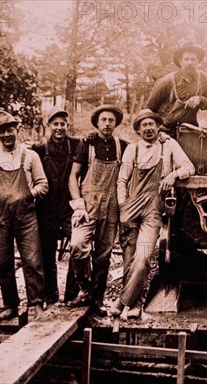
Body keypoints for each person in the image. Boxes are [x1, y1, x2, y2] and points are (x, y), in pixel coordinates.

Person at [111, 109, 195, 318]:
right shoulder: (132, 149)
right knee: (129, 260)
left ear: (158, 127)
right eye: (143, 125)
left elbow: (189, 167)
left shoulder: (169, 146)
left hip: (152, 211)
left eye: (151, 124)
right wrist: (122, 207)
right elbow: (122, 181)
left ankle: (121, 302)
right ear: (138, 130)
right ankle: (136, 305)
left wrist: (173, 175)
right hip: (130, 209)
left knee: (144, 257)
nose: (148, 128)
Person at [0, 110, 48, 320]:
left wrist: (26, 195)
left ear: (17, 129)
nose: (7, 135)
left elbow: (43, 184)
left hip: (26, 217)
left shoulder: (30, 156)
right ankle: (10, 305)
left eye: (10, 130)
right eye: (2, 132)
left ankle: (35, 303)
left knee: (33, 260)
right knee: (3, 262)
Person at [64, 105, 128, 315]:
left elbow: (143, 152)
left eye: (111, 120)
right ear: (97, 122)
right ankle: (84, 288)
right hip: (88, 206)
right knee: (77, 245)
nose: (107, 123)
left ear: (115, 123)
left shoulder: (122, 146)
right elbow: (73, 176)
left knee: (103, 255)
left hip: (111, 208)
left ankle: (97, 299)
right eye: (103, 120)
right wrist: (78, 203)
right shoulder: (87, 144)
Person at [31, 107, 80, 307]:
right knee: (46, 253)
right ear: (48, 126)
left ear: (67, 126)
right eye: (55, 124)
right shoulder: (38, 148)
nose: (59, 128)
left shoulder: (77, 145)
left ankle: (72, 294)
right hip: (46, 206)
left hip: (70, 205)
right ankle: (50, 295)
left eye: (62, 124)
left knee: (78, 247)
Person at [145, 44, 207, 138]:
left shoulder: (204, 80)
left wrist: (200, 99)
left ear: (198, 61)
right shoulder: (166, 82)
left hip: (190, 131)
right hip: (165, 131)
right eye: (186, 59)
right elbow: (148, 109)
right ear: (180, 62)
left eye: (193, 59)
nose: (189, 63)